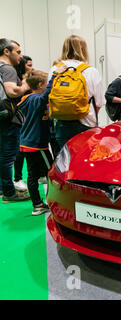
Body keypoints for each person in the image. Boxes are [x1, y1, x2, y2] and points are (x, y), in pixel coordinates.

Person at [18, 67, 65, 215]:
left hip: (28, 144)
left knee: (32, 175)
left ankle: (37, 204)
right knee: (50, 172)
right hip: (37, 145)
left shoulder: (29, 100)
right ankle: (53, 202)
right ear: (40, 85)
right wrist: (55, 75)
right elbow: (44, 97)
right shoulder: (35, 99)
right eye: (46, 83)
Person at [49, 35, 105, 149]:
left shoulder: (55, 69)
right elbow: (99, 102)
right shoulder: (91, 71)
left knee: (65, 160)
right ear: (84, 49)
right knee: (84, 160)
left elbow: (49, 96)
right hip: (86, 123)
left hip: (61, 124)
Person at [0, 38, 31, 202]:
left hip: (2, 116)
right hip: (8, 117)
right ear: (7, 51)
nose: (20, 56)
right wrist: (26, 85)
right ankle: (8, 193)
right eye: (18, 52)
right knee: (7, 157)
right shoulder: (8, 69)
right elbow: (12, 92)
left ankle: (3, 188)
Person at [13, 55, 34, 192]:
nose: (31, 68)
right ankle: (17, 178)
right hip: (18, 118)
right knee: (19, 150)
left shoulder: (30, 79)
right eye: (29, 65)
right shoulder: (17, 81)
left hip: (30, 118)